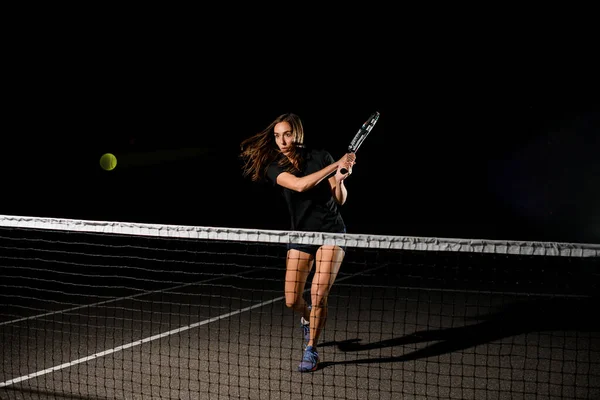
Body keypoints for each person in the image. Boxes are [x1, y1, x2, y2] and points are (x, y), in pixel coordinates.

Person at [239, 112, 356, 372]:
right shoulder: (274, 166)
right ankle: (307, 319)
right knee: (292, 300)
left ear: (297, 133)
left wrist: (340, 179)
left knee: (318, 294)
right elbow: (301, 186)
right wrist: (335, 165)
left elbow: (339, 200)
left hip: (331, 232)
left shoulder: (320, 156)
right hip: (301, 234)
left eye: (287, 134)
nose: (282, 140)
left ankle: (311, 349)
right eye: (277, 135)